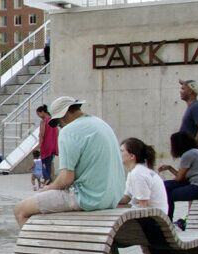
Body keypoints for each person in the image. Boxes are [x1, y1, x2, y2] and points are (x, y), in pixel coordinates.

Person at [13, 97, 125, 227]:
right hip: (112, 196)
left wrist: (48, 188)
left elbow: (66, 178)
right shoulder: (101, 124)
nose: (60, 126)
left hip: (89, 198)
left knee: (21, 210)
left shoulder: (69, 131)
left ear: (64, 115)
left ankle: (38, 246)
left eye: (59, 123)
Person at [159, 132, 198, 224]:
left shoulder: (187, 155)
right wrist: (169, 168)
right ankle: (169, 221)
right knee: (165, 185)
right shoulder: (196, 152)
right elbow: (182, 178)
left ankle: (168, 222)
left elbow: (179, 179)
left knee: (167, 194)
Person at [118, 138, 169, 215]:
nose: (118, 153)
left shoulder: (138, 173)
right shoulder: (133, 172)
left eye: (121, 151)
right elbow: (127, 198)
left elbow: (143, 206)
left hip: (155, 220)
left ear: (132, 156)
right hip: (149, 215)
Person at [178, 79, 198, 152]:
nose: (180, 91)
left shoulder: (196, 106)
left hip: (194, 154)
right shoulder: (192, 107)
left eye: (183, 89)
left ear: (190, 91)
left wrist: (192, 147)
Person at [33, 104, 59, 184]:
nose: (39, 116)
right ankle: (48, 180)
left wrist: (38, 146)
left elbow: (42, 135)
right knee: (48, 164)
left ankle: (47, 178)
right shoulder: (53, 120)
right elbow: (57, 132)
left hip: (46, 146)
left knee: (40, 164)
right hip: (53, 146)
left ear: (43, 112)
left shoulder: (43, 121)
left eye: (38, 114)